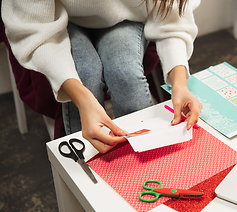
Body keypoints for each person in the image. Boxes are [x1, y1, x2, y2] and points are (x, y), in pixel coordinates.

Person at [2, 0, 202, 153]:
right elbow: (34, 29)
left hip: (128, 14)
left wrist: (179, 83)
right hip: (56, 19)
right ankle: (89, 173)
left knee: (125, 74)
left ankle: (152, 159)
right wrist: (83, 98)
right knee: (84, 76)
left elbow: (171, 12)